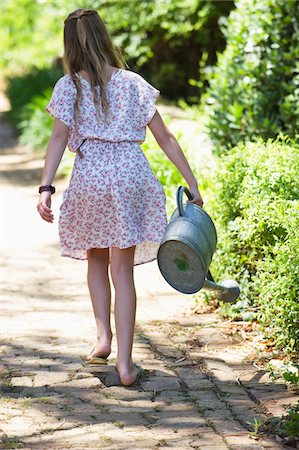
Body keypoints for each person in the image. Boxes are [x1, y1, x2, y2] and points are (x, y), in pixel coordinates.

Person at [37, 8, 203, 387]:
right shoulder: (132, 83)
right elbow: (166, 138)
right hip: (131, 175)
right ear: (104, 38)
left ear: (70, 46)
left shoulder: (69, 87)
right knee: (121, 271)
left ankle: (102, 341)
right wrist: (192, 185)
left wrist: (46, 187)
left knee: (95, 258)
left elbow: (59, 139)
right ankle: (126, 366)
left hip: (91, 176)